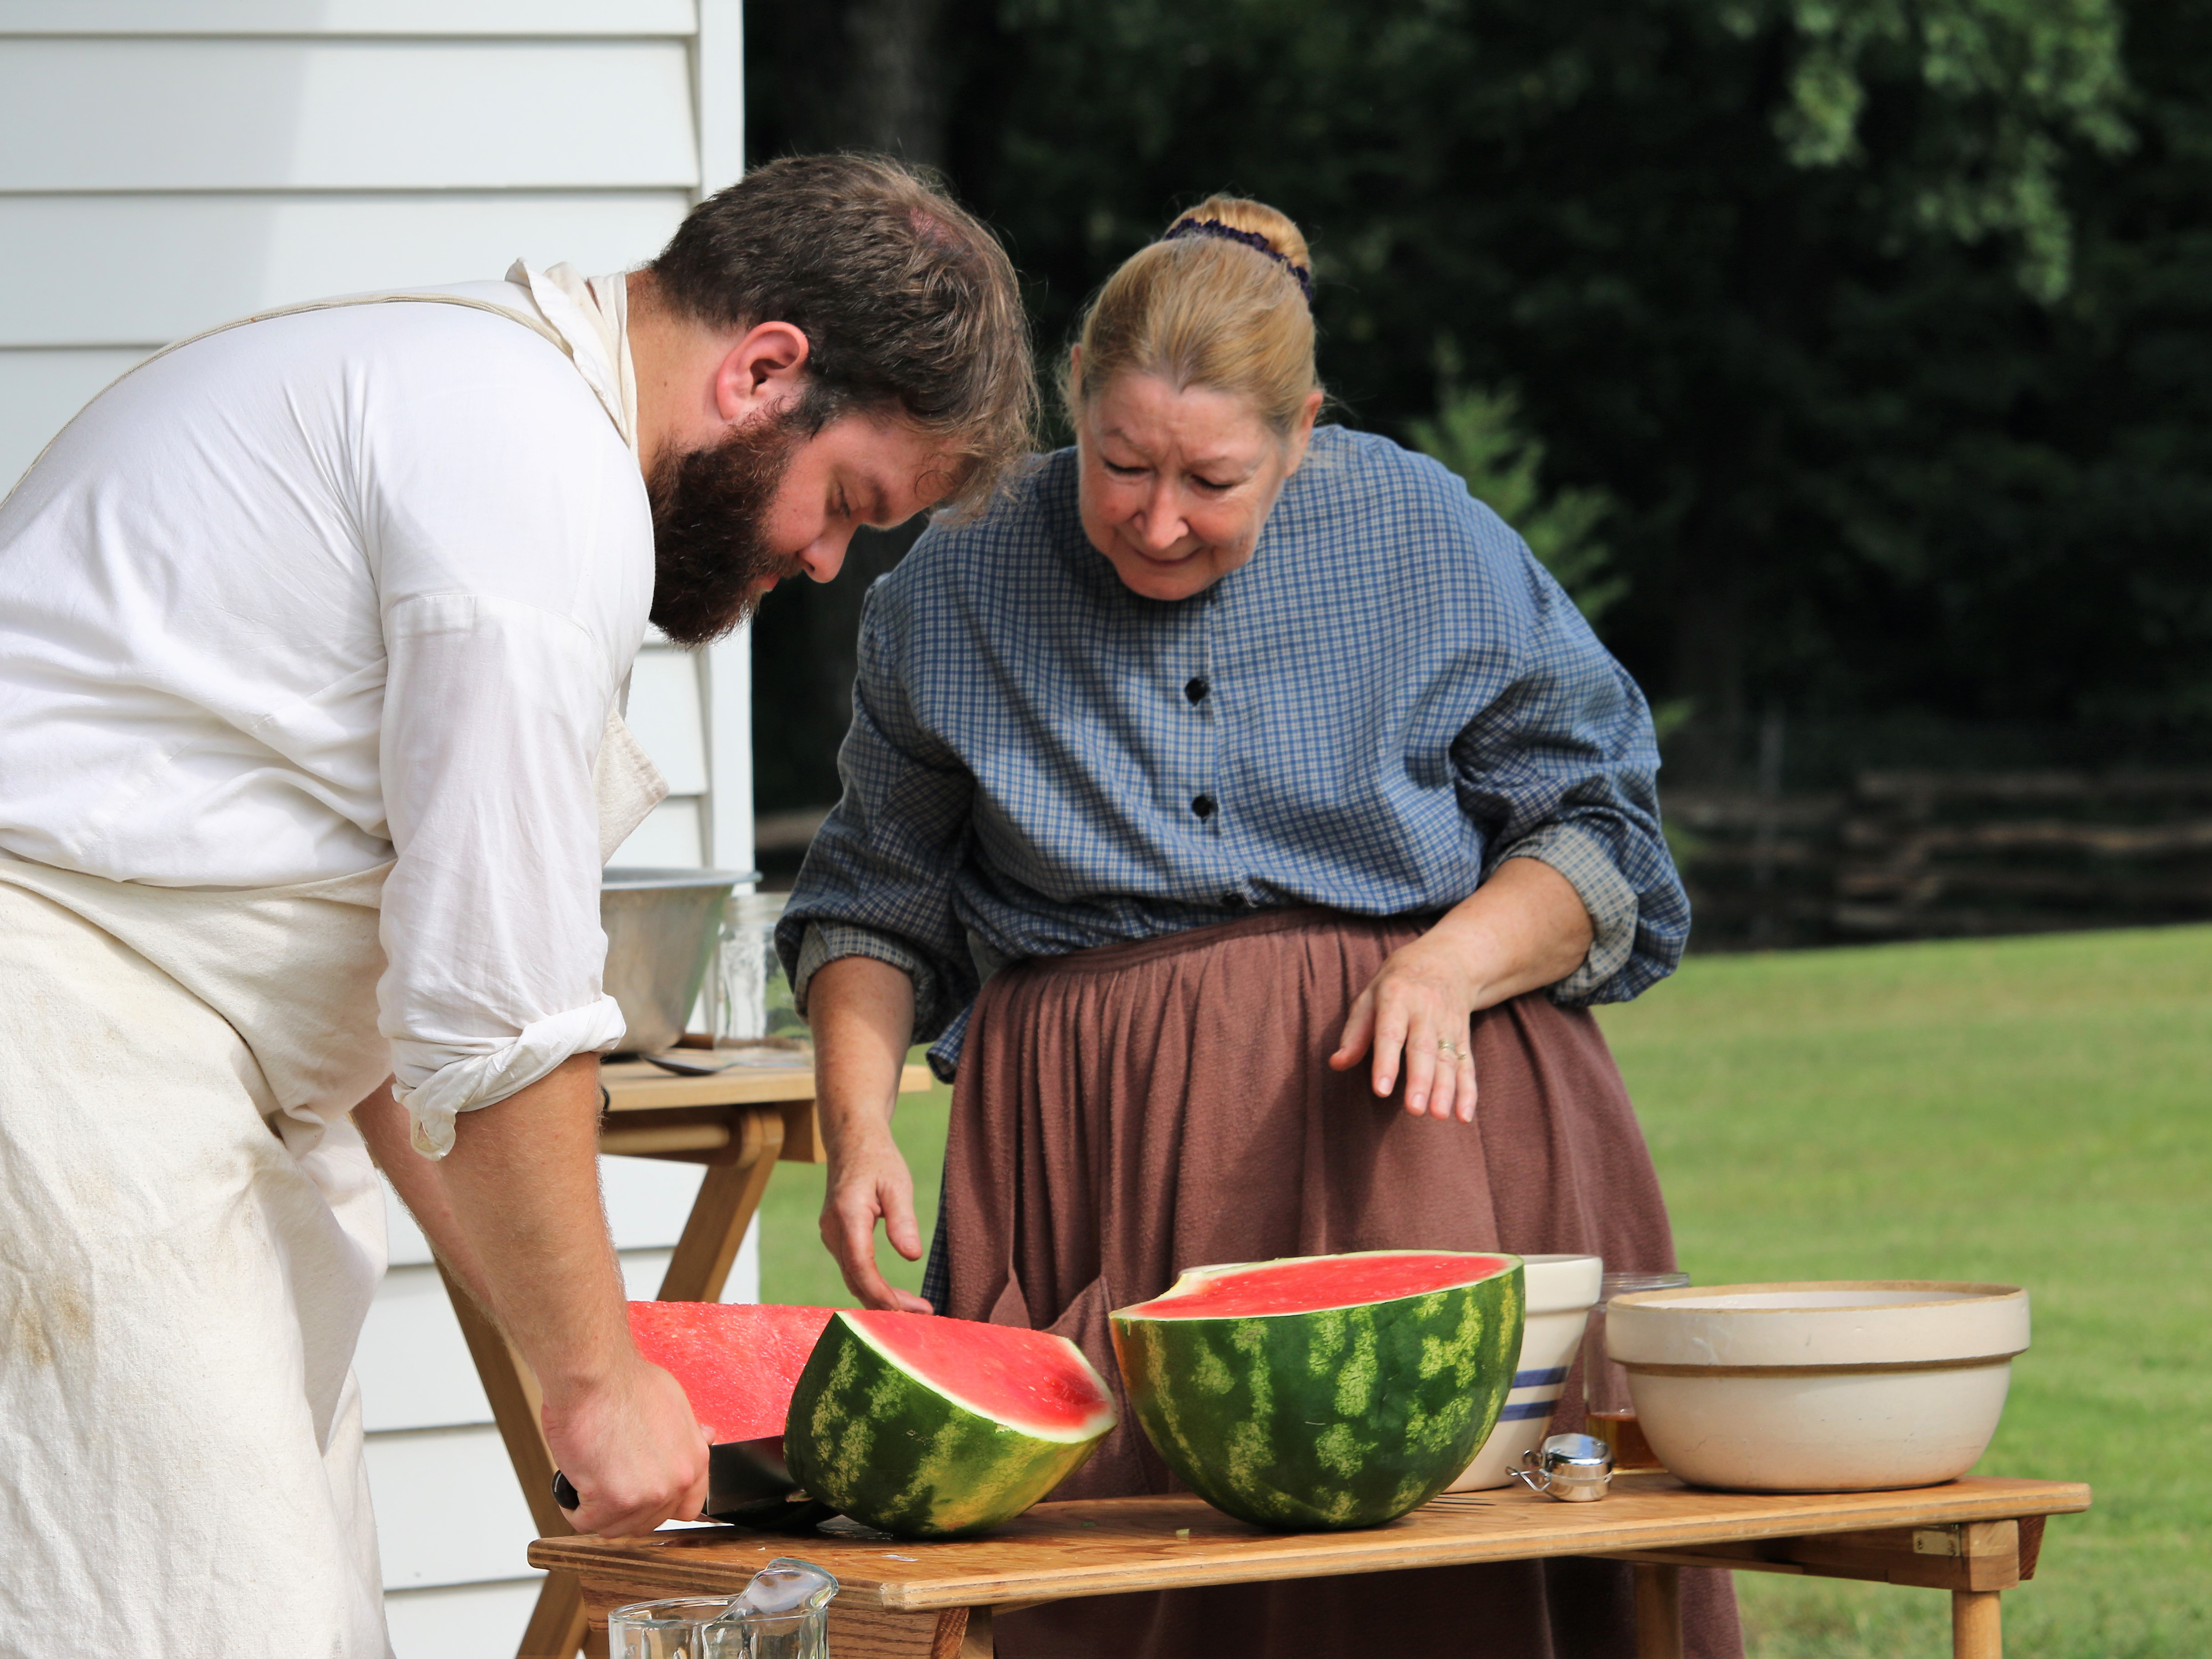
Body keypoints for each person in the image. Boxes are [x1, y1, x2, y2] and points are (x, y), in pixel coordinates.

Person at [0, 154, 1031, 1657]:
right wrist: (598, 1383)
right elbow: (497, 1003)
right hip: (65, 1040)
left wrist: (581, 1347)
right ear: (765, 371)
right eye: (846, 503)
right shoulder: (535, 482)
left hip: (173, 1063)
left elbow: (410, 1041)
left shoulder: (490, 400)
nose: (820, 562)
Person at [782, 196, 1742, 1659]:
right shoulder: (957, 589)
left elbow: (1604, 839)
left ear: (1302, 434)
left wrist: (1450, 959)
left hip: (1424, 1134)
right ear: (1073, 408)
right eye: (1121, 467)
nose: (1158, 518)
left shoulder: (1428, 537)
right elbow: (873, 896)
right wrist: (856, 1130)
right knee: (1108, 1586)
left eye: (1213, 479)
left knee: (1434, 1587)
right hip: (1099, 1148)